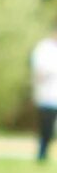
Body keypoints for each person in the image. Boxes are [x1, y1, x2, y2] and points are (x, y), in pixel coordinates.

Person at [34, 24, 57, 160]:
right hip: (47, 96)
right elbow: (39, 71)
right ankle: (42, 154)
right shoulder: (44, 48)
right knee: (46, 127)